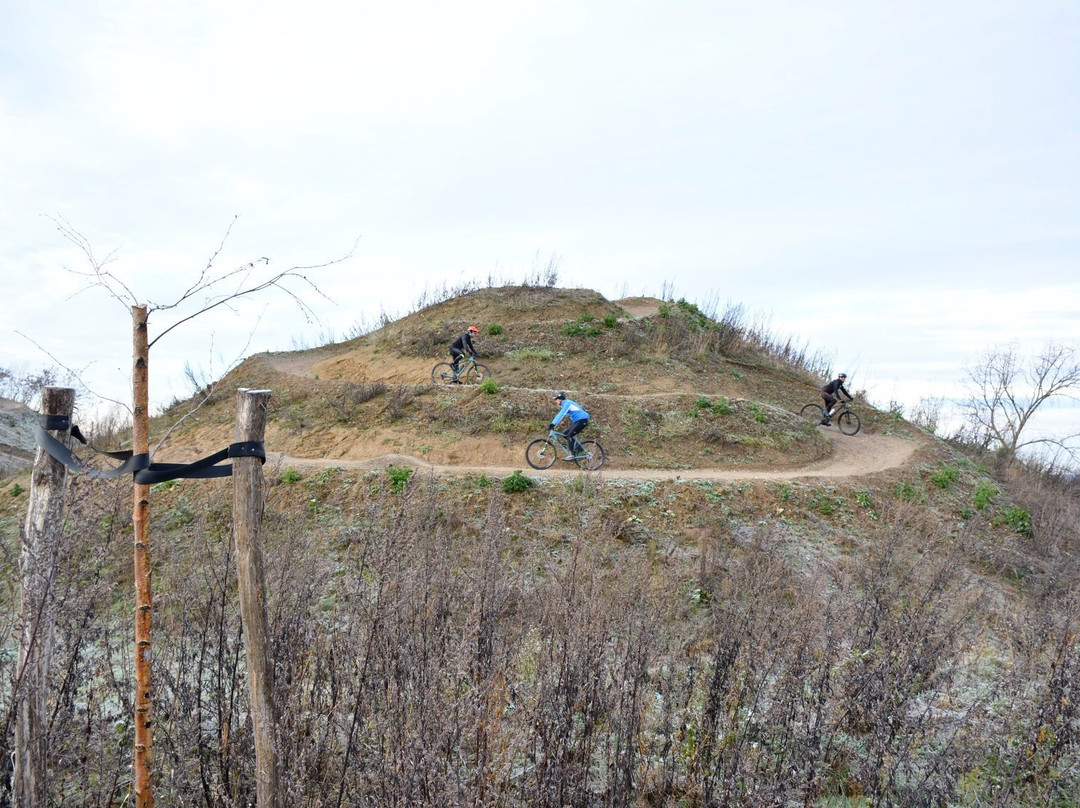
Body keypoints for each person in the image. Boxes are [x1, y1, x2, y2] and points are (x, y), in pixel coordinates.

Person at [550, 391, 590, 459]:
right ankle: (581, 451)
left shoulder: (567, 403)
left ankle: (572, 454)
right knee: (565, 434)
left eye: (556, 399)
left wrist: (553, 424)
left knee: (569, 435)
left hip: (582, 420)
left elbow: (561, 414)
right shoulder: (566, 404)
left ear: (560, 399)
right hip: (579, 421)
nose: (556, 402)